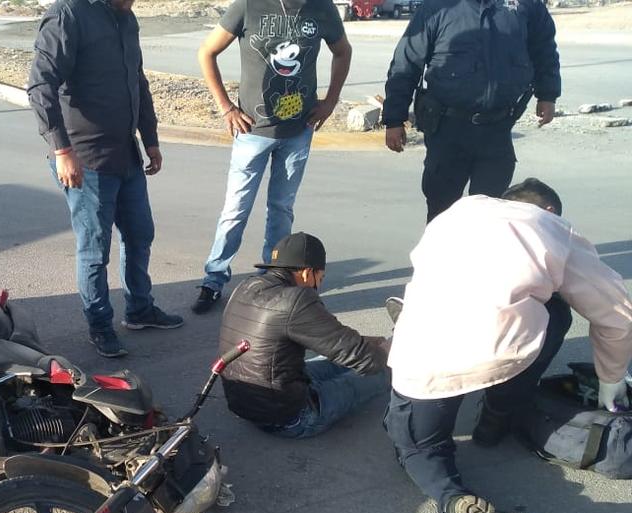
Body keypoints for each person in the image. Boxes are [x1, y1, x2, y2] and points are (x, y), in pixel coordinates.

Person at [384, 179, 632, 513]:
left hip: (423, 353)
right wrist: (611, 378)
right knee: (556, 312)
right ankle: (496, 419)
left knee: (417, 446)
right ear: (549, 210)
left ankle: (453, 498)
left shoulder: (459, 211)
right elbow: (617, 314)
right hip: (502, 352)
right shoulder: (553, 227)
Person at [27, 0, 183, 358]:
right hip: (85, 158)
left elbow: (137, 82)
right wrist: (61, 150)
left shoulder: (126, 18)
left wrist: (151, 139)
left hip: (126, 152)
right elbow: (40, 85)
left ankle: (140, 309)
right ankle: (99, 325)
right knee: (95, 250)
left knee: (140, 234)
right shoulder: (68, 14)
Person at [191, 0, 352, 314]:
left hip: (298, 132)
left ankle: (273, 282)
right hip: (252, 132)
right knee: (235, 210)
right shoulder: (249, 5)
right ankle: (214, 279)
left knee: (281, 210)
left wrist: (330, 101)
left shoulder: (321, 7)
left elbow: (343, 51)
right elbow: (206, 52)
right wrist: (226, 107)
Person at [382, 0, 561, 222]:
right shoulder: (437, 7)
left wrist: (547, 95)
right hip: (447, 129)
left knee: (490, 212)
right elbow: (406, 64)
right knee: (442, 213)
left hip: (497, 128)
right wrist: (394, 120)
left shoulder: (526, 5)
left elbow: (544, 49)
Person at [218, 232, 390, 438]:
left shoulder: (246, 285)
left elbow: (331, 340)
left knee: (335, 361)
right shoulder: (296, 299)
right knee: (382, 369)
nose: (319, 284)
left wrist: (367, 342)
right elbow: (367, 361)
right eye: (321, 278)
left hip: (246, 403)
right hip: (289, 419)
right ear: (308, 273)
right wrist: (390, 349)